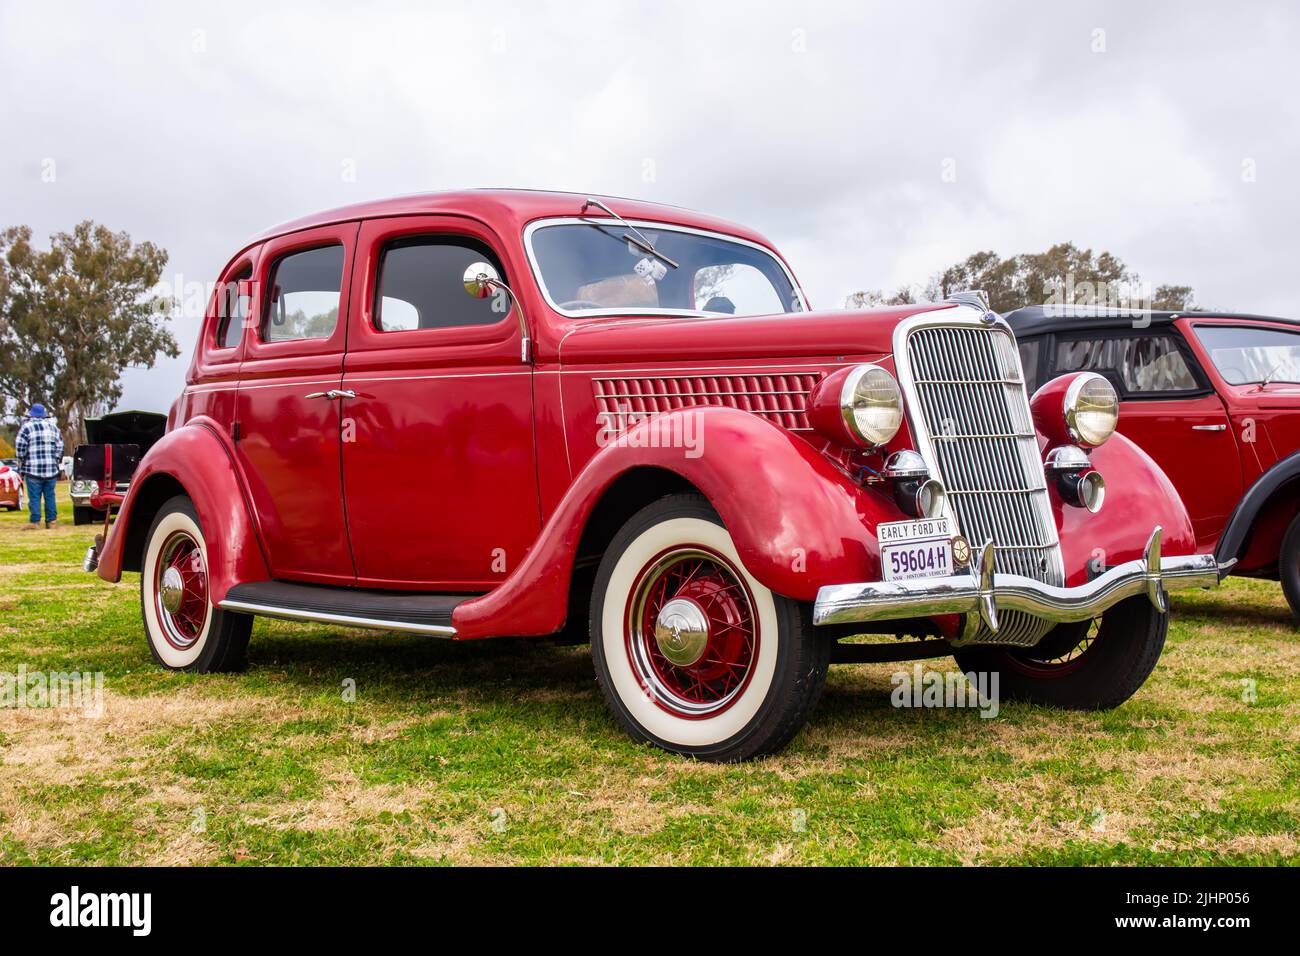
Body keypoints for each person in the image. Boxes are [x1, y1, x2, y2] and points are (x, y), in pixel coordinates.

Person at [15, 403, 64, 529]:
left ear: (31, 414)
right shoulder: (53, 428)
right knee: (50, 496)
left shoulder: (26, 428)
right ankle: (51, 521)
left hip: (33, 469)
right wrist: (56, 460)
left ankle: (35, 522)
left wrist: (22, 460)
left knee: (34, 497)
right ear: (44, 415)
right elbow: (60, 447)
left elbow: (20, 448)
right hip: (51, 469)